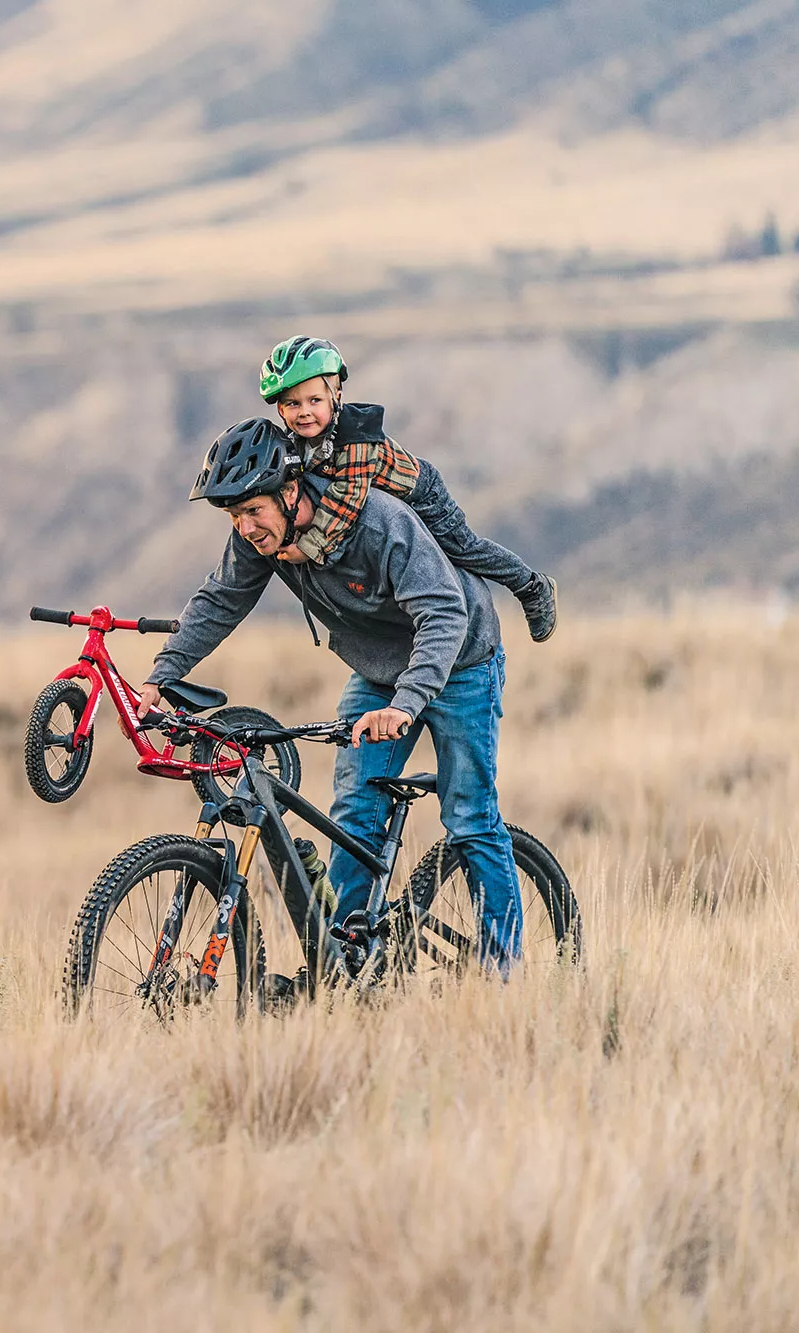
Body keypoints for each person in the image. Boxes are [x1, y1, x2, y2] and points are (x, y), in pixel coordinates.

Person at [136, 417, 524, 972]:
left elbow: (444, 614)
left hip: (460, 659)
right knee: (353, 813)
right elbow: (219, 601)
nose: (244, 527)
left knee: (469, 815)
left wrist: (407, 703)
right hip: (377, 672)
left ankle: (503, 972)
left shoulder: (379, 524)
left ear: (290, 491)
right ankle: (344, 962)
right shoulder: (263, 540)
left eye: (252, 511)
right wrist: (160, 678)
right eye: (233, 516)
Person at [259, 335, 559, 642]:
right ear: (281, 410)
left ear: (336, 397)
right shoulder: (300, 442)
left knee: (461, 548)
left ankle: (531, 586)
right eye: (293, 404)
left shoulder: (355, 441)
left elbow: (347, 498)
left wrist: (308, 547)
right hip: (387, 511)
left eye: (314, 401)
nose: (304, 412)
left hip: (421, 496)